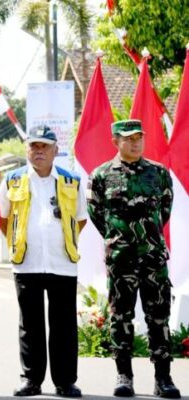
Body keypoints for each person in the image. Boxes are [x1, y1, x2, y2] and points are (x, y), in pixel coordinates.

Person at [87, 120, 181, 398]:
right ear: (115, 141)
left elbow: (165, 210)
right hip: (121, 260)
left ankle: (163, 378)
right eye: (129, 139)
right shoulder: (101, 175)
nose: (135, 143)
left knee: (159, 317)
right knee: (121, 318)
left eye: (139, 137)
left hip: (153, 258)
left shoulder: (159, 173)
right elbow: (96, 213)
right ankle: (124, 375)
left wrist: (146, 239)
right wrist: (119, 240)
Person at [0, 126, 87, 398]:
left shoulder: (72, 180)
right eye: (34, 146)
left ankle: (65, 381)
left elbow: (81, 218)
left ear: (55, 151)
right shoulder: (12, 180)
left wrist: (62, 241)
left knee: (64, 325)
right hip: (27, 263)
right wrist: (21, 240)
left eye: (44, 146)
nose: (39, 151)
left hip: (63, 262)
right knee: (30, 324)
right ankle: (31, 379)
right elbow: (3, 218)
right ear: (27, 149)